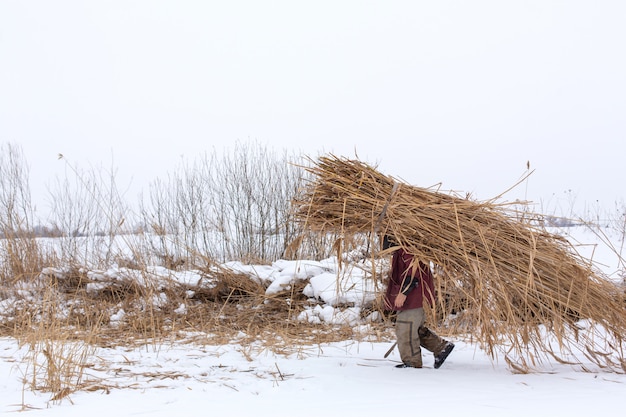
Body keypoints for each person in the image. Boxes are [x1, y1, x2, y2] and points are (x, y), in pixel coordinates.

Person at [382, 235, 454, 369]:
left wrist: (404, 293)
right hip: (414, 298)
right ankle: (441, 347)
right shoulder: (403, 250)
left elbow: (414, 273)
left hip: (413, 297)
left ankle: (412, 363)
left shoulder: (407, 250)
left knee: (405, 328)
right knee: (415, 329)